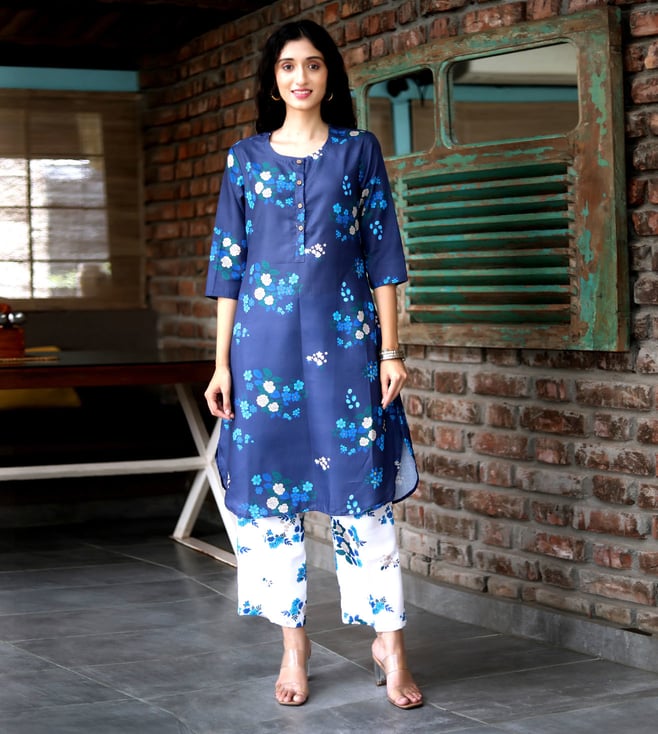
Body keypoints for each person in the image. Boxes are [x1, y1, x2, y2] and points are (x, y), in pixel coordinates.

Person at [204, 19, 423, 710]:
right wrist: (220, 364)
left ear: (330, 76)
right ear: (273, 80)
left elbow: (383, 254)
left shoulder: (359, 151)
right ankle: (293, 646)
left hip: (347, 347)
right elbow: (228, 265)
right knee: (273, 503)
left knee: (364, 494)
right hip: (262, 354)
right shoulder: (244, 159)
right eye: (288, 66)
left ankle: (390, 643)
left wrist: (391, 349)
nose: (301, 77)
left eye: (314, 65)